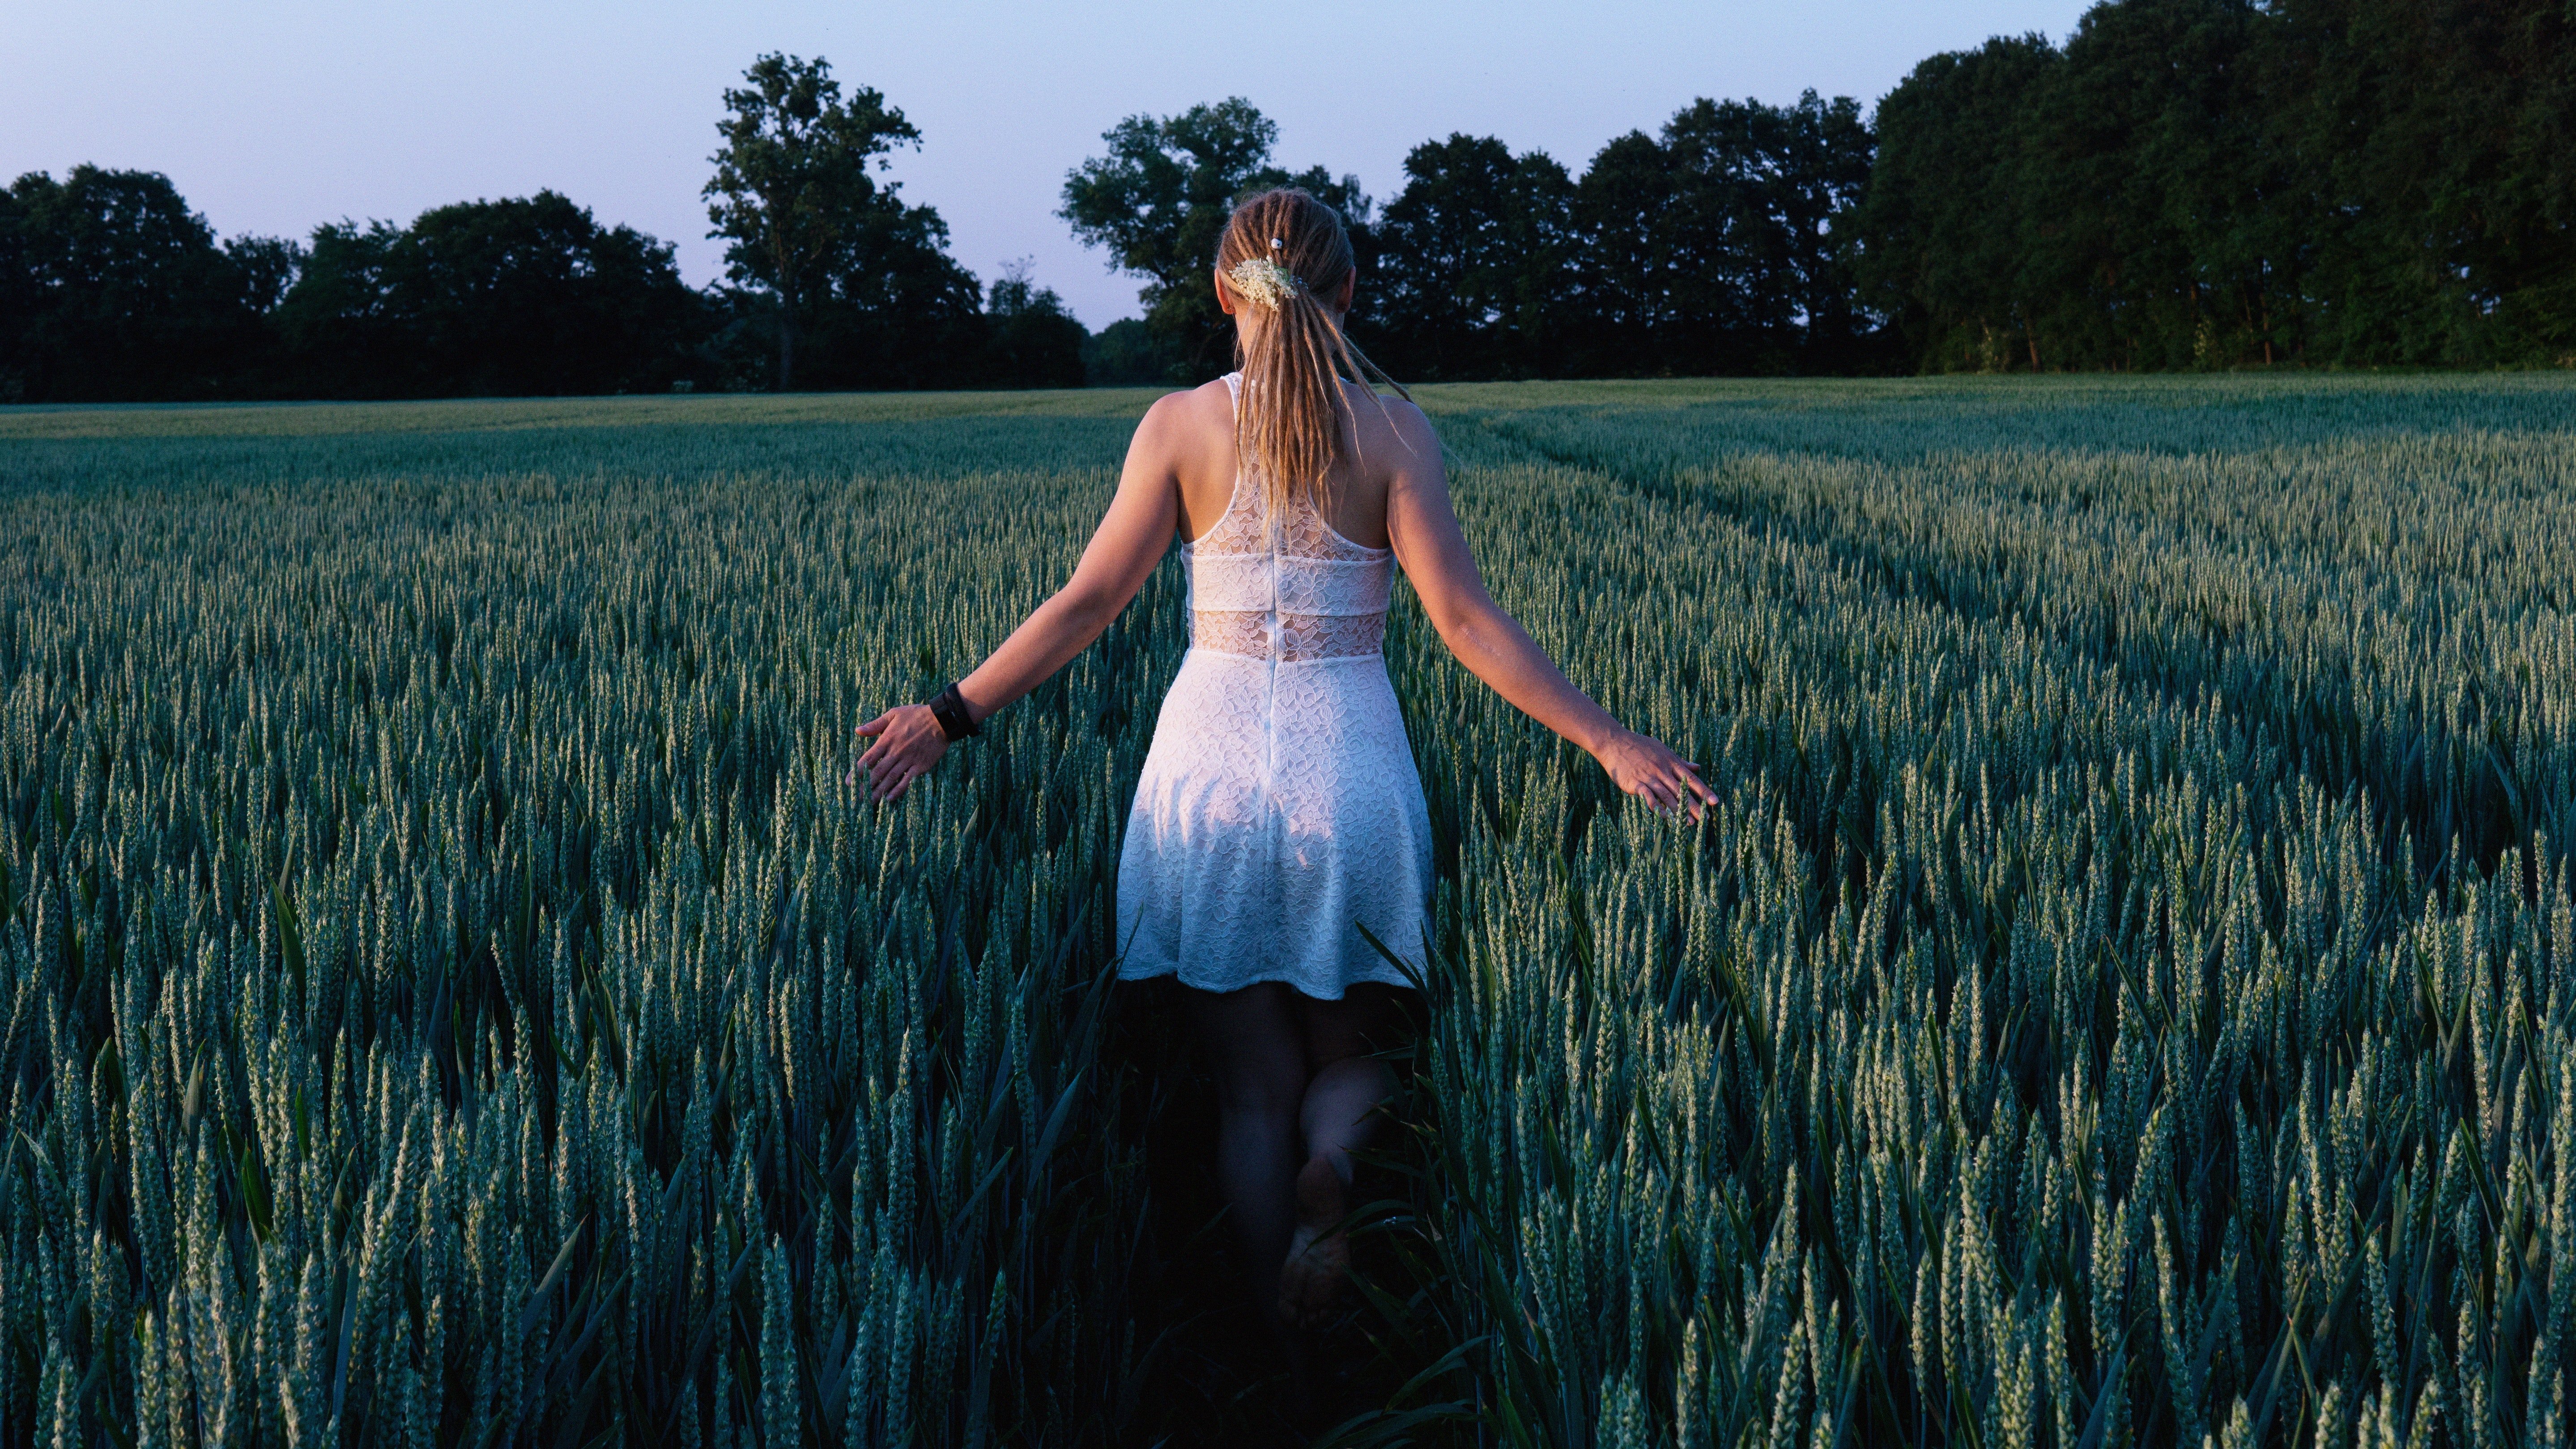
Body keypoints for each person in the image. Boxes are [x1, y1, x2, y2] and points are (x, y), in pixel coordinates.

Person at [853, 187, 1713, 1363]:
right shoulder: (1395, 434)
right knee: (1349, 1056)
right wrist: (1611, 738)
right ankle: (1340, 1170)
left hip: (1206, 770)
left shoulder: (1177, 428)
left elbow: (1089, 601)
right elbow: (1462, 621)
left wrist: (950, 714)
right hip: (1347, 765)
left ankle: (1274, 1337)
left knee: (1248, 1086)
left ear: (1221, 295)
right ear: (1349, 293)